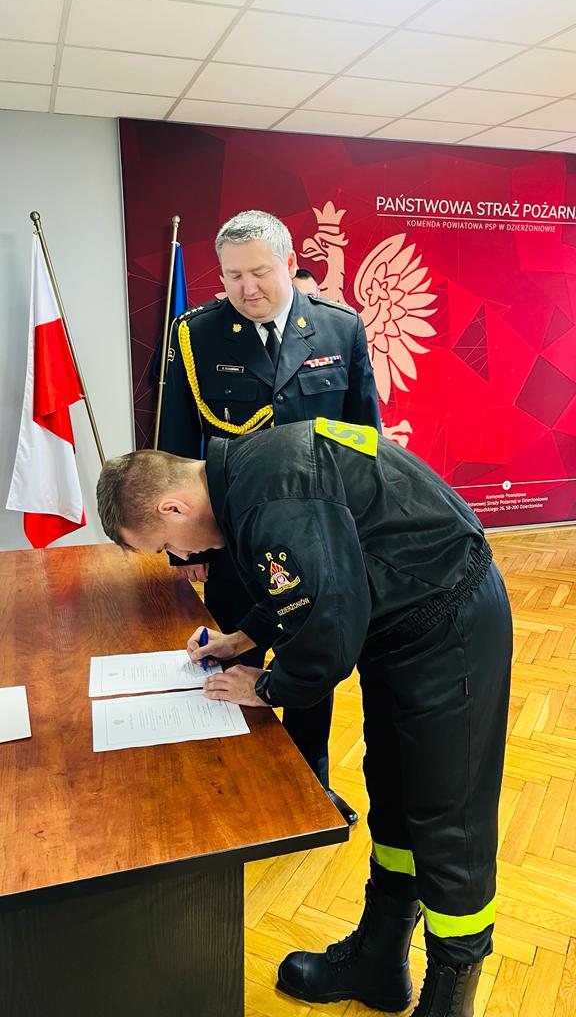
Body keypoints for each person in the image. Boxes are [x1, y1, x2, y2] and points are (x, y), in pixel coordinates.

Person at [97, 418, 512, 1017]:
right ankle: (381, 959)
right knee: (394, 793)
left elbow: (329, 631)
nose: (180, 557)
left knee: (450, 823)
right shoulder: (247, 476)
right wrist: (244, 638)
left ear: (172, 506)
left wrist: (268, 685)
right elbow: (307, 583)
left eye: (165, 545)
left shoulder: (271, 496)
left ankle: (450, 1000)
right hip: (400, 627)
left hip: (450, 628)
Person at [158, 209, 381, 825]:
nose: (246, 288)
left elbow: (364, 440)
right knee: (235, 659)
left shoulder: (338, 328)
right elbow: (177, 447)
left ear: (289, 263)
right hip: (234, 537)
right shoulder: (196, 334)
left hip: (321, 539)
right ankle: (246, 788)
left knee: (310, 655)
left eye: (259, 272)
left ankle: (309, 787)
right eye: (232, 276)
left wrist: (362, 532)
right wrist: (188, 550)